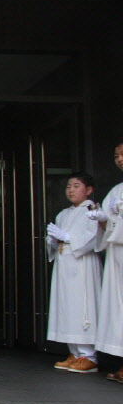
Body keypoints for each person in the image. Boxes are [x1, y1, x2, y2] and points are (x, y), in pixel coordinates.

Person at [46, 172, 102, 373]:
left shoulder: (92, 211)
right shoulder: (63, 214)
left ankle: (88, 355)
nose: (71, 190)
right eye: (68, 186)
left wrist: (68, 238)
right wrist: (53, 240)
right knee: (66, 307)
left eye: (76, 186)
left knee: (82, 306)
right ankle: (75, 353)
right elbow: (55, 242)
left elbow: (94, 238)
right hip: (65, 264)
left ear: (88, 190)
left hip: (82, 264)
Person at [87, 142, 123, 382]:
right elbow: (109, 221)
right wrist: (101, 219)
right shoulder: (117, 190)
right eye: (116, 155)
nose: (119, 159)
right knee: (118, 308)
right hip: (117, 256)